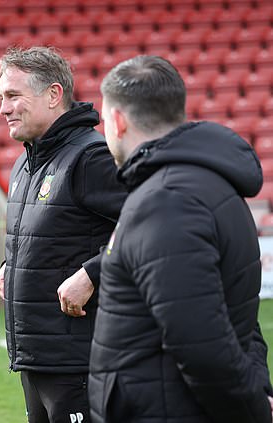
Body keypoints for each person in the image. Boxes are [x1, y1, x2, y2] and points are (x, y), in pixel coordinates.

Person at [89, 55, 273, 423]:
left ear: (118, 121)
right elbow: (237, 316)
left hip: (164, 409)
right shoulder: (207, 182)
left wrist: (254, 409)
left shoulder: (167, 200)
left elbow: (202, 345)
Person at [0, 46, 127, 423]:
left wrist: (92, 273)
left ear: (53, 95)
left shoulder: (91, 157)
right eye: (1, 97)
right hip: (37, 361)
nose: (3, 108)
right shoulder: (26, 162)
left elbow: (149, 226)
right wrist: (12, 266)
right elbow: (54, 238)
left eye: (13, 96)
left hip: (79, 364)